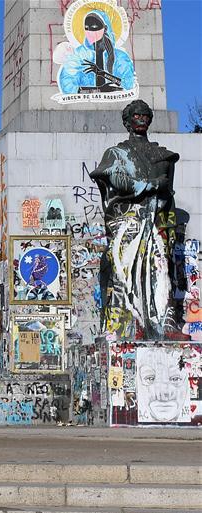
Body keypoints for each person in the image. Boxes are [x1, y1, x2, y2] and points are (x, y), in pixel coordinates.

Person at [90, 100, 179, 340]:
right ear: (127, 121)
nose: (141, 119)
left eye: (145, 115)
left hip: (156, 221)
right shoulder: (116, 153)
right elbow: (112, 178)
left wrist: (169, 229)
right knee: (122, 270)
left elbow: (168, 194)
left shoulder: (164, 155)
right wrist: (148, 185)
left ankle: (163, 322)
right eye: (136, 115)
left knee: (160, 270)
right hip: (127, 223)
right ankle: (122, 325)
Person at [57, 10, 135, 95]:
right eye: (86, 28)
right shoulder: (78, 54)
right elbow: (67, 86)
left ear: (105, 28)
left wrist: (103, 74)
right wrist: (98, 90)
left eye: (94, 28)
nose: (90, 32)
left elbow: (128, 84)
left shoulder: (120, 56)